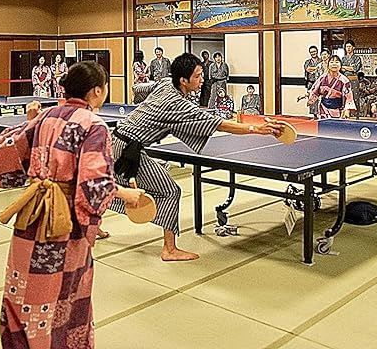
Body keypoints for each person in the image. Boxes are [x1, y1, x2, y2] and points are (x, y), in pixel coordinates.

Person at [0, 61, 143, 348]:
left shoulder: (47, 116)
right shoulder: (94, 125)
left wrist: (30, 121)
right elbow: (94, 184)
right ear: (97, 91)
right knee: (63, 296)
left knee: (26, 290)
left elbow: (8, 154)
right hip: (64, 221)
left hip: (33, 216)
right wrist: (126, 195)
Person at [111, 53, 282, 261]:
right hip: (127, 149)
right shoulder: (178, 104)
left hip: (115, 141)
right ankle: (169, 250)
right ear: (183, 80)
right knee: (170, 191)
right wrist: (258, 129)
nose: (202, 80)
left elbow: (139, 88)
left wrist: (143, 97)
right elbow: (219, 124)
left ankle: (90, 215)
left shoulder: (165, 82)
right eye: (198, 76)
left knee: (110, 186)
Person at [307, 54, 356, 119]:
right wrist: (308, 95)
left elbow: (349, 96)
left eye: (337, 62)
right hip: (323, 108)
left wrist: (347, 109)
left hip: (338, 109)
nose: (334, 64)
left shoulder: (344, 80)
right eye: (332, 62)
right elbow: (315, 89)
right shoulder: (323, 78)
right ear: (328, 65)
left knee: (336, 125)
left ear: (340, 65)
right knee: (323, 124)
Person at [340, 40, 362, 114]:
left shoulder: (357, 58)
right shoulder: (343, 58)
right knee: (345, 96)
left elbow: (355, 69)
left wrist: (345, 67)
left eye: (350, 46)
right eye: (347, 47)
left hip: (354, 80)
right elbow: (341, 69)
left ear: (353, 47)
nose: (348, 48)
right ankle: (346, 113)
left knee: (355, 97)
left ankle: (356, 114)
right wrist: (349, 68)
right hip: (345, 79)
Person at [303, 46, 321, 117]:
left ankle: (321, 114)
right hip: (311, 82)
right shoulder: (307, 62)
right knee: (312, 98)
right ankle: (314, 115)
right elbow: (308, 69)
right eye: (311, 52)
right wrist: (316, 68)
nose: (313, 53)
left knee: (320, 99)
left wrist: (314, 69)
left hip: (320, 83)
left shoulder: (321, 60)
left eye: (314, 51)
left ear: (317, 51)